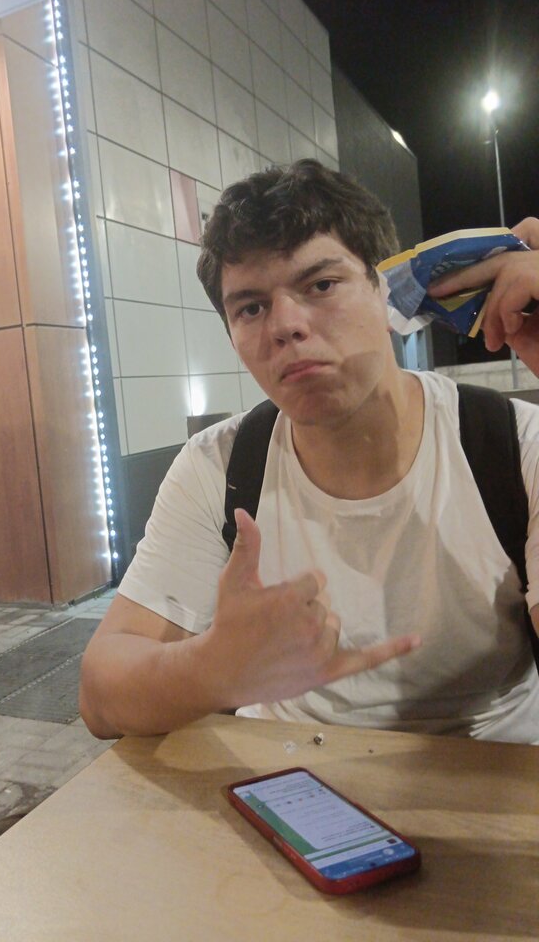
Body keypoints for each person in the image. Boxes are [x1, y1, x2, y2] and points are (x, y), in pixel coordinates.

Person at [79, 159, 539, 744]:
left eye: (321, 285)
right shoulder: (221, 466)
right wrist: (213, 668)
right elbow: (100, 697)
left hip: (487, 781)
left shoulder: (513, 445)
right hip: (286, 779)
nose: (286, 326)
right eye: (250, 307)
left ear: (385, 292)